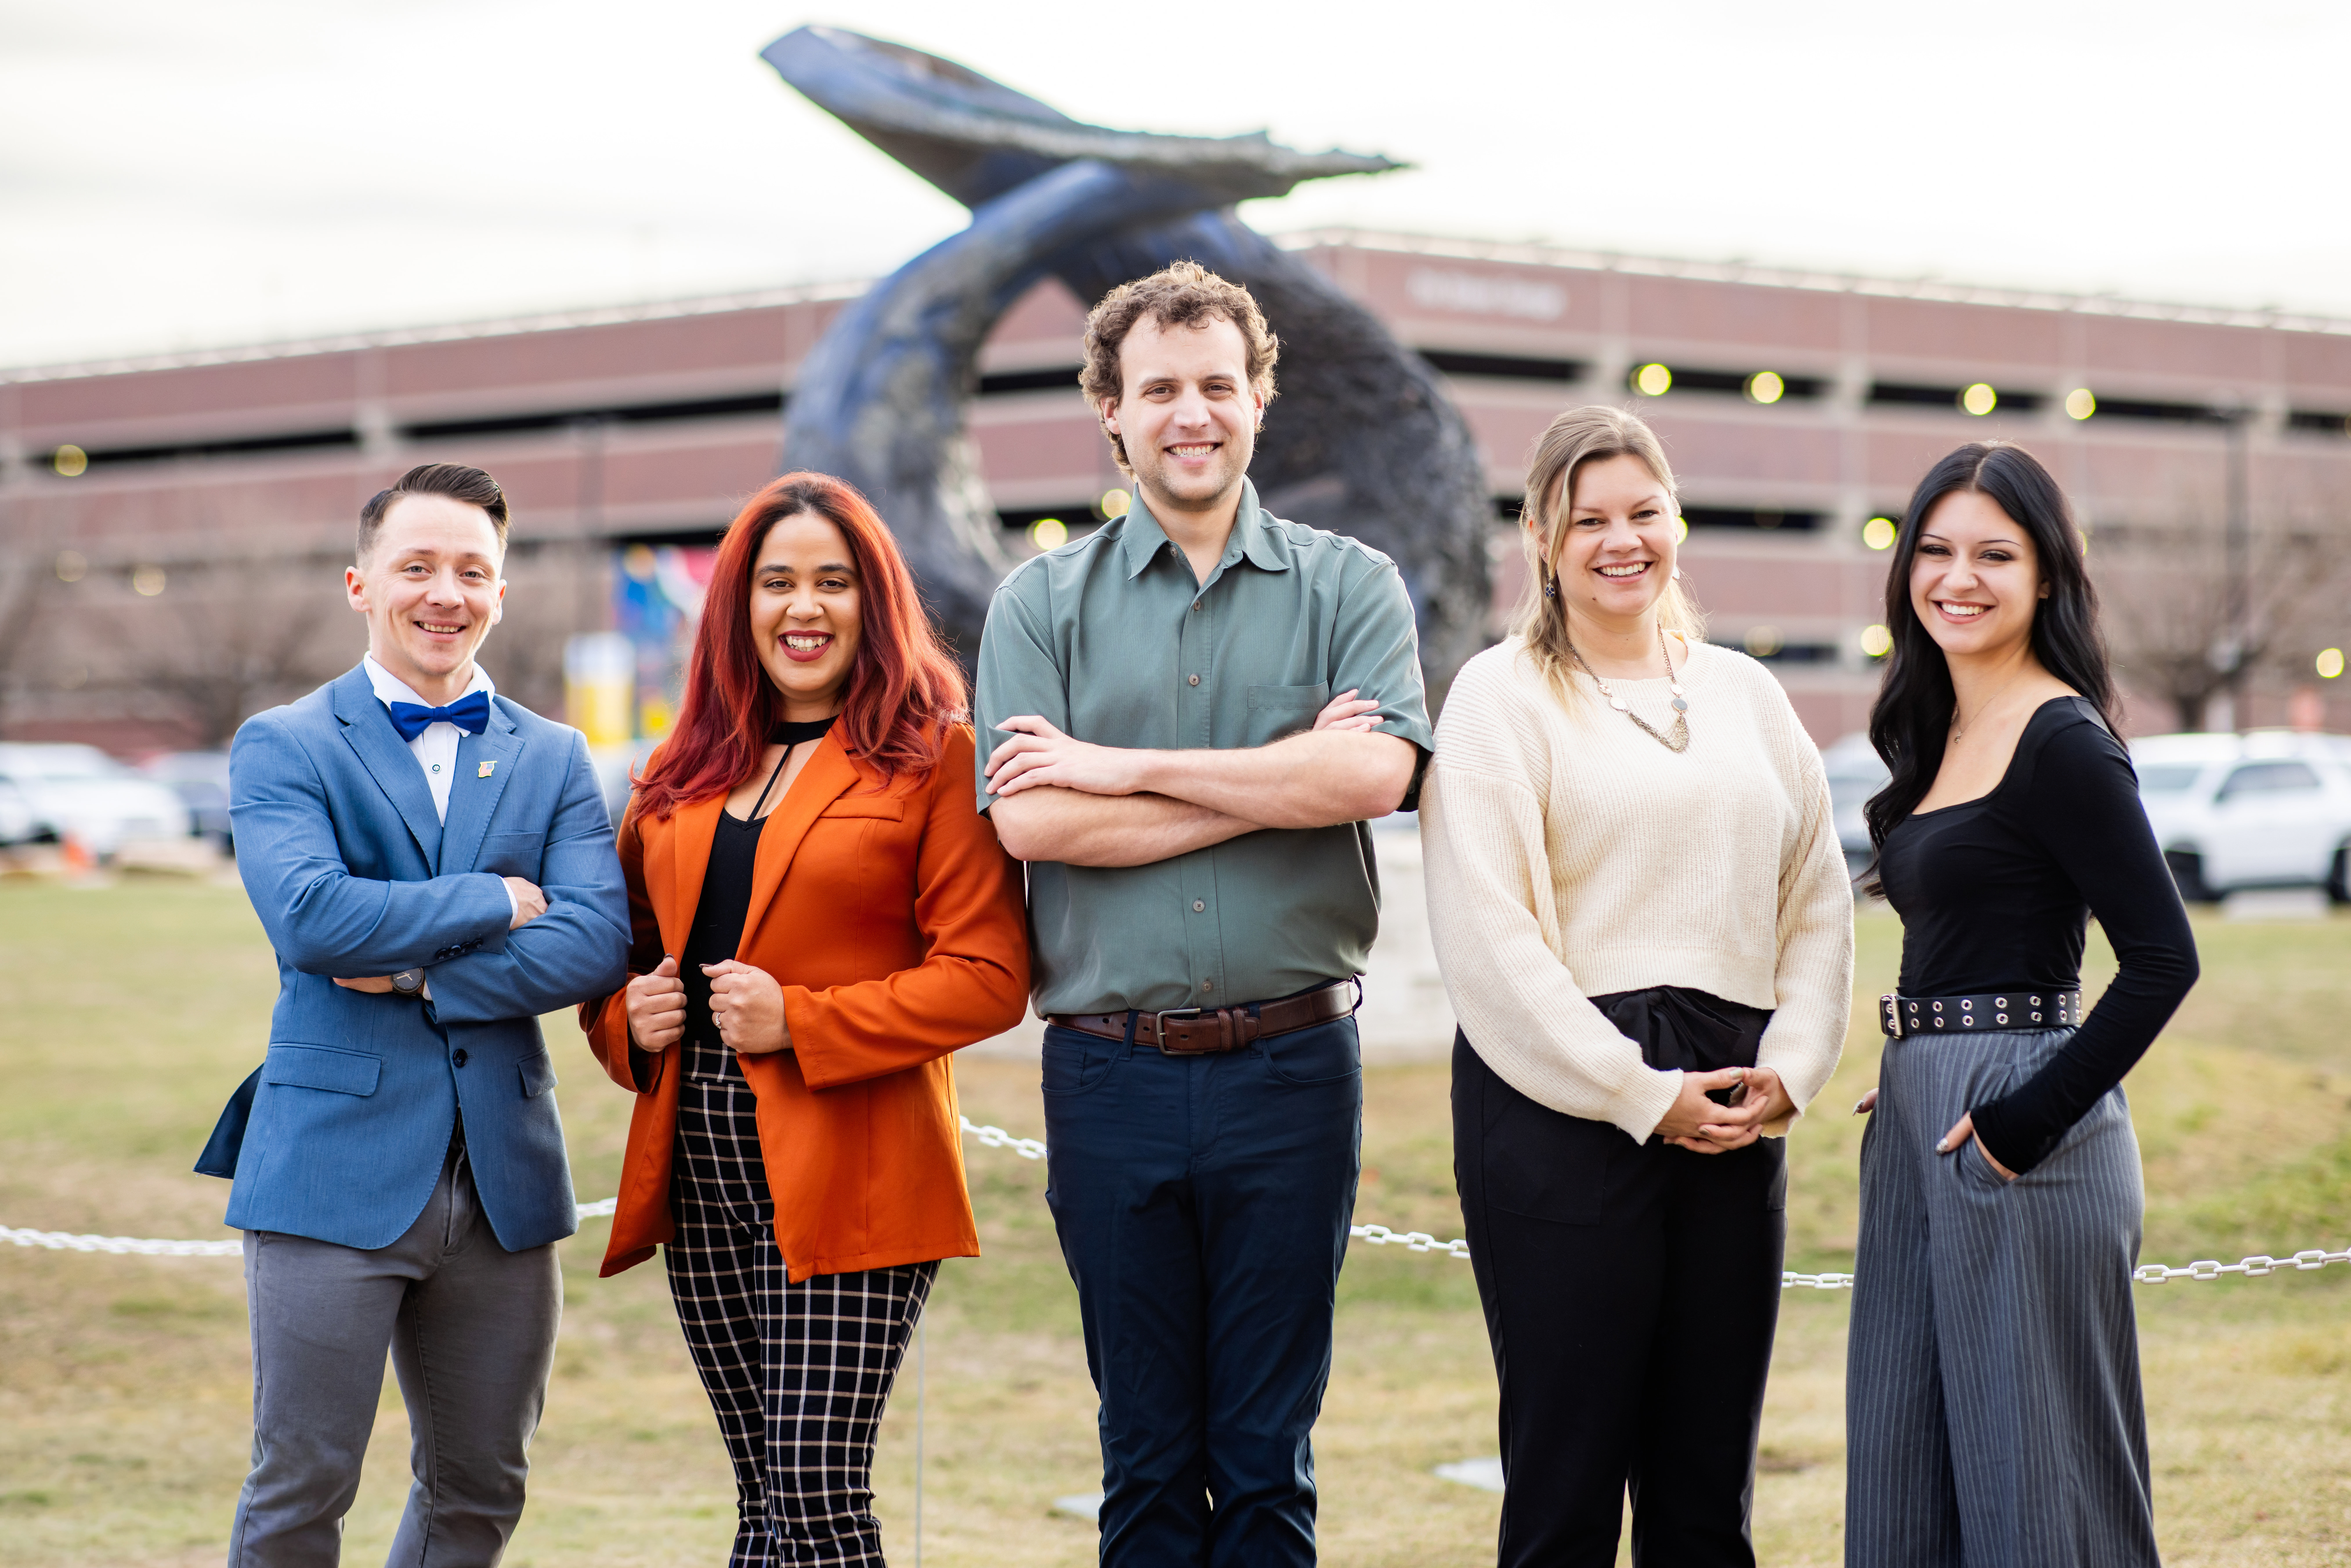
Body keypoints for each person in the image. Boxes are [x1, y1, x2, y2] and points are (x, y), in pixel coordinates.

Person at [973, 261, 1430, 1567]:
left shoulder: (1351, 584)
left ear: (1260, 398)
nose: (1193, 412)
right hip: (1107, 1077)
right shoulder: (1038, 604)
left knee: (1267, 1461)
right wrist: (1278, 779)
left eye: (1217, 384)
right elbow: (1033, 824)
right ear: (1109, 411)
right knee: (1147, 1462)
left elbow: (1374, 775)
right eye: (1158, 387)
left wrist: (1116, 764)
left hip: (1293, 1070)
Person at [1418, 404, 1855, 1567]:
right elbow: (1489, 936)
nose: (1622, 540)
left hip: (1731, 1097)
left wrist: (1792, 1069)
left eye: (1643, 512)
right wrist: (1633, 1087)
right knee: (1567, 1489)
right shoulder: (1497, 698)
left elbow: (1815, 896)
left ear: (1677, 521)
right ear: (1541, 538)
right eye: (1588, 518)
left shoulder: (1748, 696)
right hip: (1562, 1102)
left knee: (1707, 1491)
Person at [578, 472, 1029, 1567]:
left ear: (875, 604)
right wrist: (622, 1022)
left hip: (856, 1169)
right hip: (701, 1167)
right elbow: (625, 967)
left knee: (818, 1497)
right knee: (763, 1503)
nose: (804, 607)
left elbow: (988, 977)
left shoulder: (935, 759)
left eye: (834, 582)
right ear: (738, 607)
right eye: (777, 582)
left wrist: (804, 1021)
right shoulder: (673, 778)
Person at [201, 461, 631, 1565]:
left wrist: (423, 973)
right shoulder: (285, 742)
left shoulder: (553, 754)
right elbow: (312, 921)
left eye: (472, 572)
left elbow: (594, 942)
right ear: (361, 584)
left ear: (501, 593)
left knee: (481, 1490)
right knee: (303, 1486)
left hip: (502, 1180)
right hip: (329, 1171)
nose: (447, 592)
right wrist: (493, 900)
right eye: (419, 567)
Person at [1844, 443, 2197, 1567]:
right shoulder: (1934, 733)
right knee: (1905, 1457)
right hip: (1920, 1111)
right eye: (1936, 549)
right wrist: (1914, 1060)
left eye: (1995, 553)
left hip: (2020, 1134)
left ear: (2047, 576)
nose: (1960, 576)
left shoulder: (2063, 741)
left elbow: (2160, 959)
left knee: (2039, 1489)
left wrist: (2017, 1117)